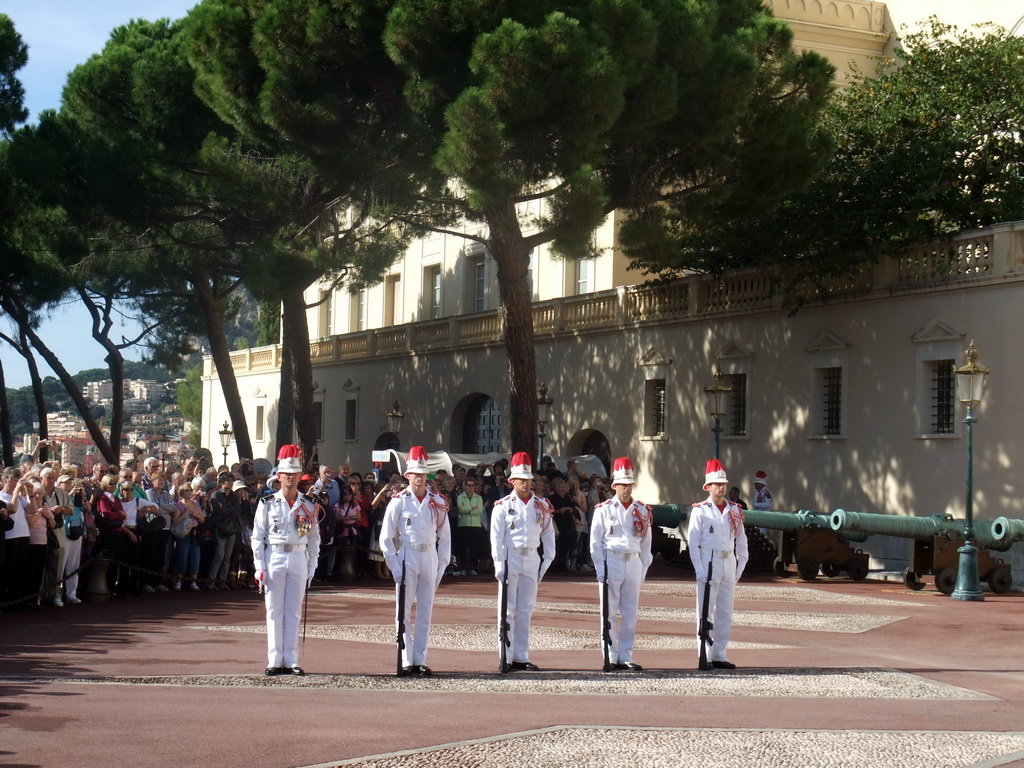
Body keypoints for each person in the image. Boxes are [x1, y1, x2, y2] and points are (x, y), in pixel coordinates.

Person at [379, 446, 452, 676]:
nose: (419, 478)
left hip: (428, 555)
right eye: (415, 474)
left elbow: (445, 536)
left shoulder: (437, 502)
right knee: (403, 610)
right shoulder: (399, 501)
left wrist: (441, 565)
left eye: (423, 474)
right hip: (407, 555)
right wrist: (393, 566)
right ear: (407, 475)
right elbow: (386, 537)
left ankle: (420, 659)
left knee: (425, 610)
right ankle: (406, 658)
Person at [251, 445, 321, 676]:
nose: (290, 478)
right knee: (274, 611)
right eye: (286, 474)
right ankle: (274, 659)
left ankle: (291, 659)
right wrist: (259, 567)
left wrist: (312, 566)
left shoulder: (308, 504)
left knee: (293, 611)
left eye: (294, 474)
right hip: (275, 556)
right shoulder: (267, 503)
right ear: (278, 476)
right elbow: (258, 537)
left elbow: (313, 539)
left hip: (299, 556)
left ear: (299, 477)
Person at [490, 452, 555, 671]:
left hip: (531, 557)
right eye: (521, 479)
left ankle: (521, 655)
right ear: (512, 481)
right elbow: (496, 538)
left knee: (526, 609)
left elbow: (548, 533)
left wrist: (547, 559)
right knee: (507, 610)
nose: (526, 483)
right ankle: (505, 655)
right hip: (511, 556)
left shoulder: (541, 505)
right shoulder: (502, 505)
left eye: (528, 479)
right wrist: (499, 563)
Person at [589, 457, 653, 671]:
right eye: (622, 484)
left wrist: (642, 569)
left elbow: (646, 544)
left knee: (630, 613)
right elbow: (595, 542)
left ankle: (626, 655)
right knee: (608, 611)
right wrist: (600, 569)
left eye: (629, 484)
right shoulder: (604, 509)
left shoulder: (642, 511)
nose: (626, 488)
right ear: (614, 486)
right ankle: (609, 653)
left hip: (633, 562)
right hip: (612, 560)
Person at [687, 459, 749, 670]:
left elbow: (741, 541)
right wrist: (699, 570)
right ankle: (704, 652)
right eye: (717, 484)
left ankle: (719, 653)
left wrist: (739, 568)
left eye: (723, 483)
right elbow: (693, 543)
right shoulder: (701, 510)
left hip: (727, 561)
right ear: (708, 486)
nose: (721, 487)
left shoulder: (735, 510)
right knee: (705, 611)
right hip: (709, 559)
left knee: (725, 611)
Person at [455, 477, 486, 576]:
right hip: (463, 525)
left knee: (474, 547)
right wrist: (472, 508)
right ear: (465, 486)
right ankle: (463, 568)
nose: (471, 487)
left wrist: (467, 509)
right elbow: (460, 509)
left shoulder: (479, 497)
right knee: (463, 547)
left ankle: (472, 568)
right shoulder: (460, 497)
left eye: (473, 485)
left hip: (476, 525)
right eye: (469, 485)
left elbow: (479, 510)